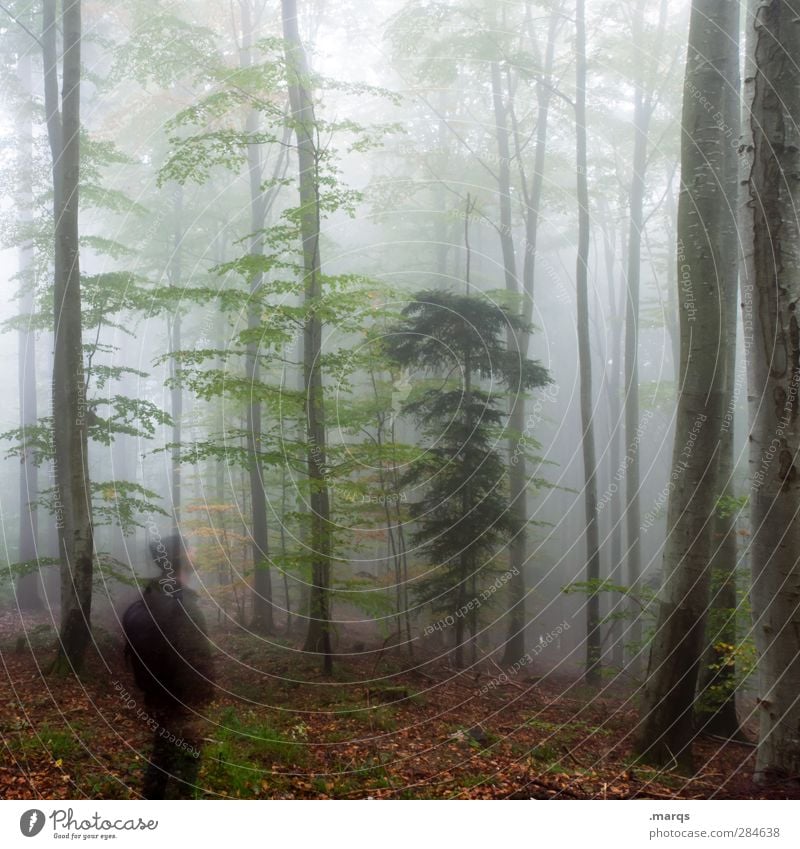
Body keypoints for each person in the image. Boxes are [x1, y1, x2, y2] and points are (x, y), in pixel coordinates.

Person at [121, 534, 215, 799]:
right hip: (180, 704)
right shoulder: (179, 604)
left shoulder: (154, 595)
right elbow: (192, 660)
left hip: (158, 699)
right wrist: (199, 701)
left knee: (163, 759)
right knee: (184, 767)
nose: (196, 550)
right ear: (180, 556)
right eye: (191, 547)